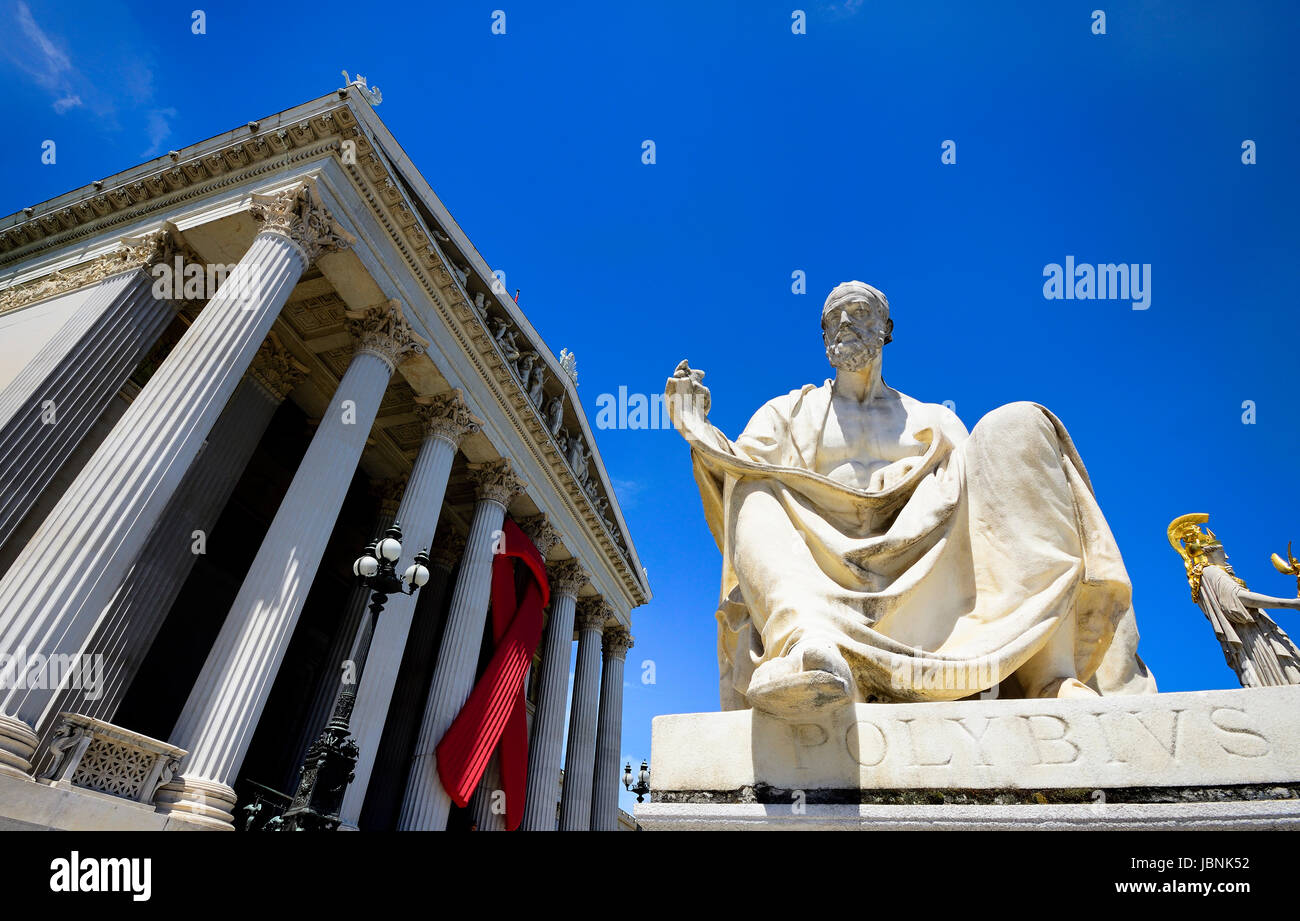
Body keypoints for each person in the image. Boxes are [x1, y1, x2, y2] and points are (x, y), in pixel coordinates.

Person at [667, 281, 1155, 716]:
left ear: (887, 330)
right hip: (816, 567)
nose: (844, 323)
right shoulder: (787, 411)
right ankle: (810, 650)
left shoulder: (933, 419)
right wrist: (697, 429)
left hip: (927, 559)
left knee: (1019, 422)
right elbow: (734, 470)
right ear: (822, 340)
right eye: (832, 318)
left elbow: (987, 511)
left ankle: (1049, 678)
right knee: (753, 489)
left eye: (858, 312)